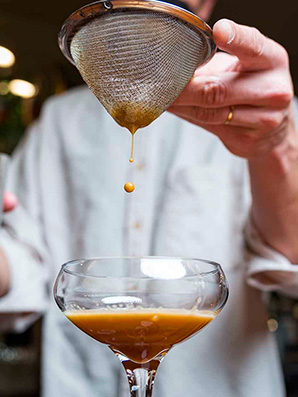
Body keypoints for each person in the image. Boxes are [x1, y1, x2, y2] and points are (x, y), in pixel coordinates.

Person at [0, 0, 298, 395]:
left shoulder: (261, 112)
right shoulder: (59, 122)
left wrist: (274, 146)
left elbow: (288, 262)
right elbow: (23, 265)